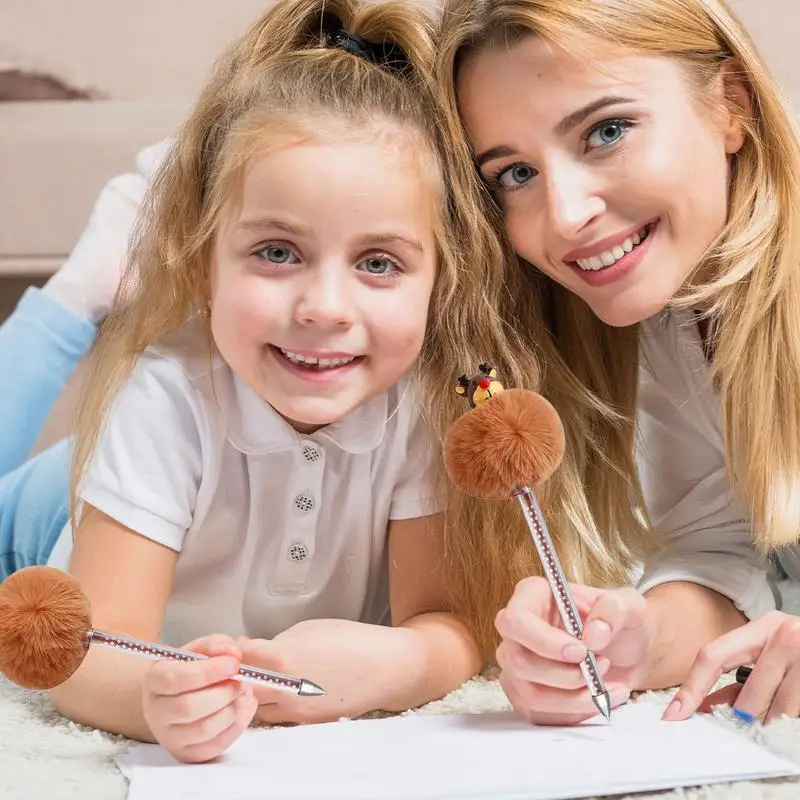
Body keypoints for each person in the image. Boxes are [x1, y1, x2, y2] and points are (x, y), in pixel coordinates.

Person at [0, 0, 513, 763]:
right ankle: (89, 282)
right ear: (203, 256)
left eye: (379, 263)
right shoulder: (166, 394)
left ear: (442, 281)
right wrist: (151, 697)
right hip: (40, 524)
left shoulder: (425, 404)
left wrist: (398, 662)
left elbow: (447, 625)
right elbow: (84, 658)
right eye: (277, 251)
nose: (323, 309)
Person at [434, 0, 800, 725]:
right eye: (514, 174)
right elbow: (720, 550)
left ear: (733, 103)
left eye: (606, 132)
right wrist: (629, 639)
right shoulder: (672, 319)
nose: (564, 214)